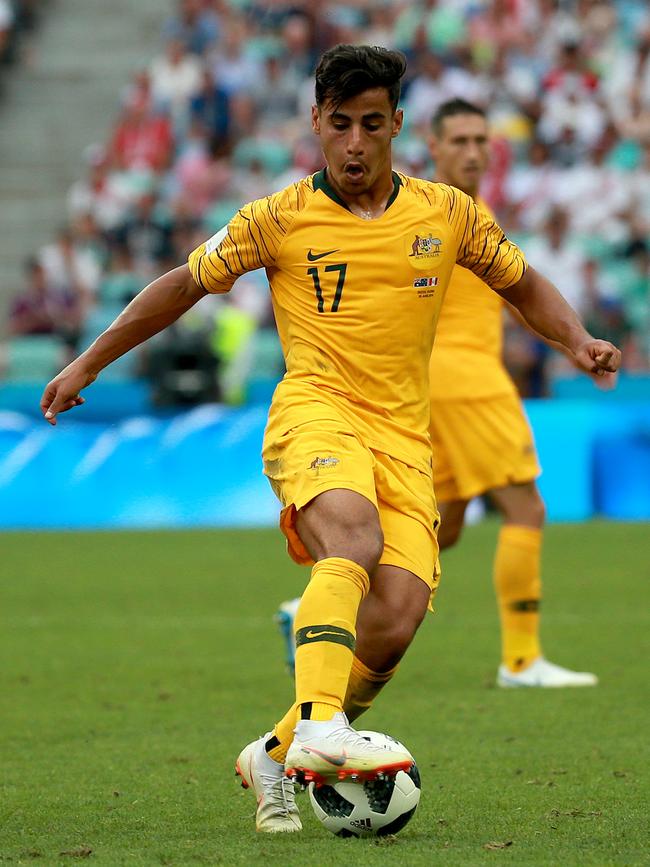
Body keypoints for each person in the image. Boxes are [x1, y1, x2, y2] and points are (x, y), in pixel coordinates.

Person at [40, 46, 620, 835]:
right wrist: (87, 361)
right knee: (352, 532)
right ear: (316, 122)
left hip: (404, 438)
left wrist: (578, 340)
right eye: (339, 124)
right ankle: (319, 725)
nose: (354, 143)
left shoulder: (447, 215)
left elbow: (521, 284)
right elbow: (181, 285)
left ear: (397, 127)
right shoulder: (277, 218)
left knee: (397, 617)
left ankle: (276, 751)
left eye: (371, 125)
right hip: (315, 411)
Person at [276, 98, 602, 690]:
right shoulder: (427, 210)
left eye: (482, 141)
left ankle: (316, 613)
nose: (474, 153)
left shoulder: (463, 213)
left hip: (423, 398)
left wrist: (570, 338)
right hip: (467, 382)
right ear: (428, 143)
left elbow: (521, 289)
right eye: (460, 142)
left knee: (440, 529)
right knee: (525, 507)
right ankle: (523, 660)